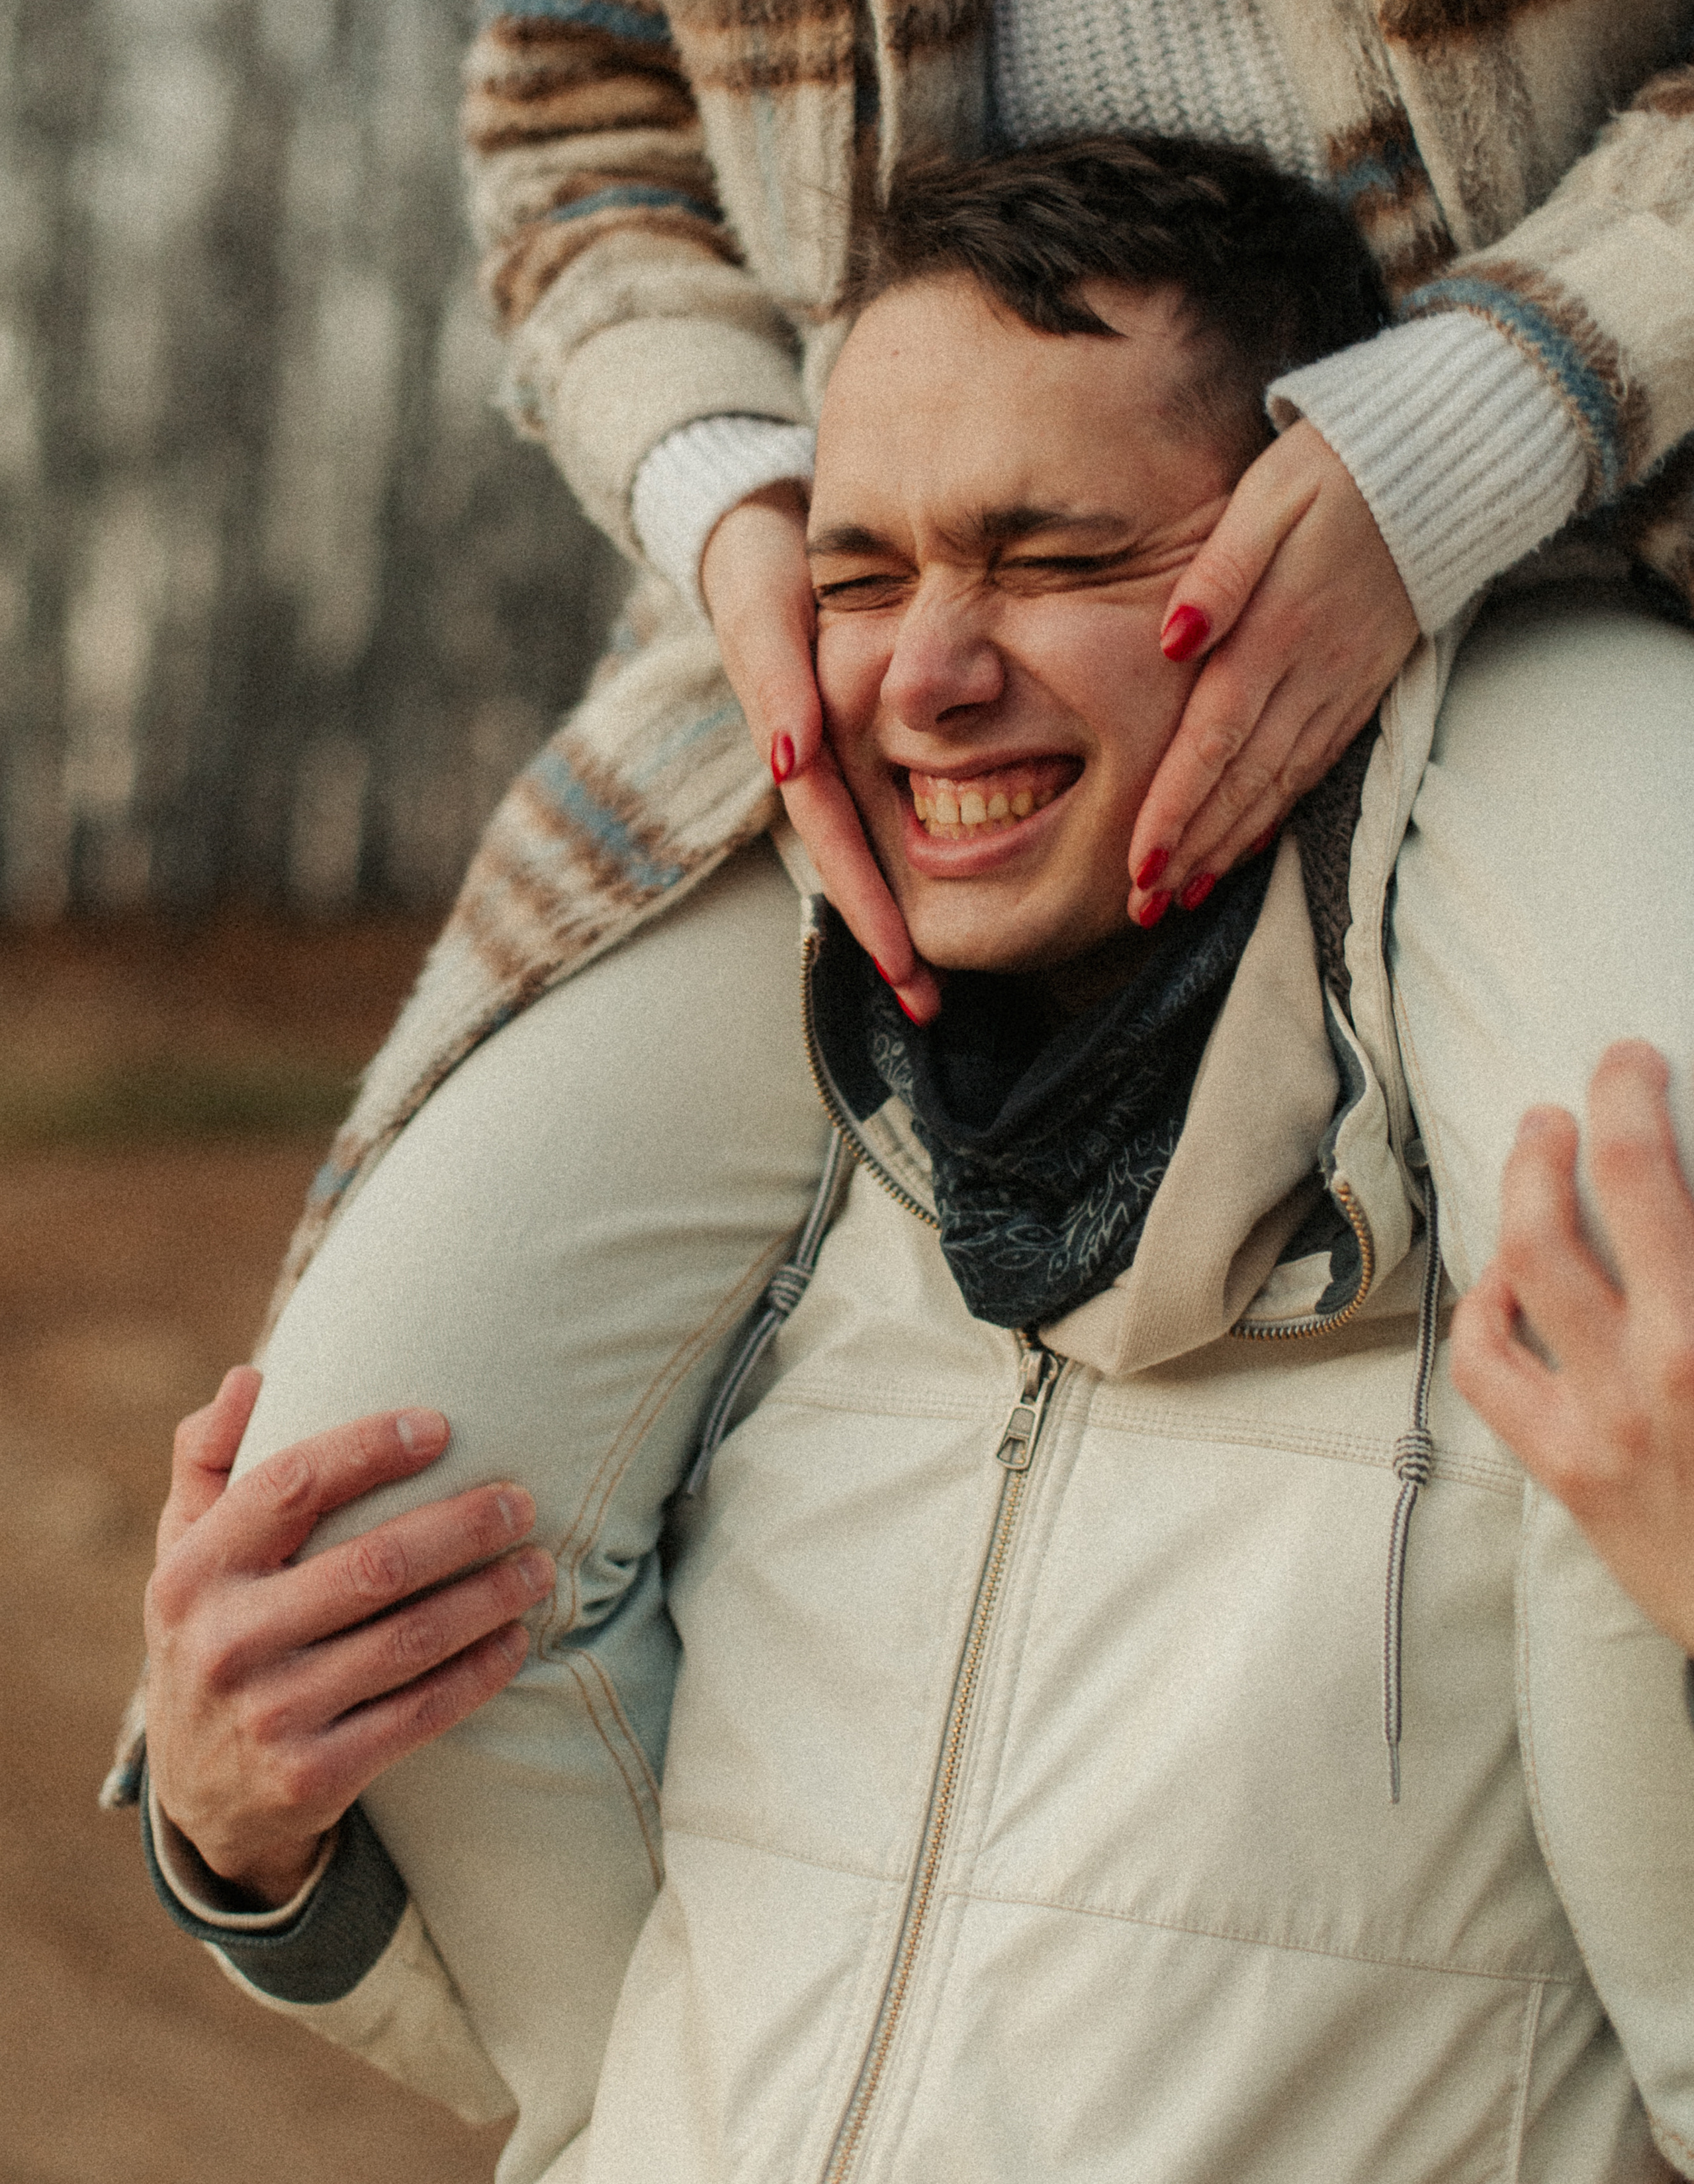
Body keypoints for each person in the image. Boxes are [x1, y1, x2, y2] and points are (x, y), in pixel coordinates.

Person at [136, 140, 1694, 2181]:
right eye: (858, 577)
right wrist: (242, 1833)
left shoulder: (1584, 1358)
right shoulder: (752, 1253)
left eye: (1055, 562)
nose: (922, 676)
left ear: (1326, 576)